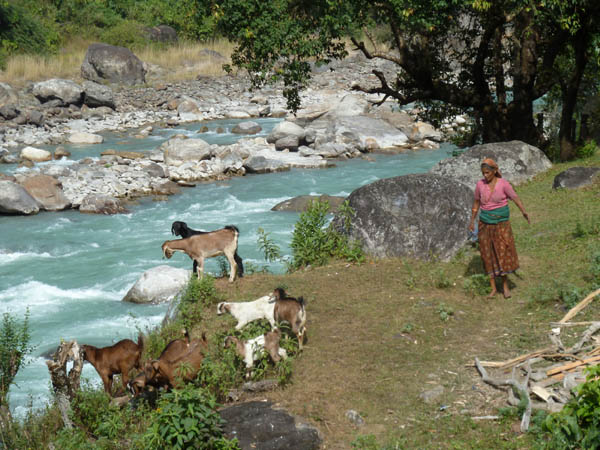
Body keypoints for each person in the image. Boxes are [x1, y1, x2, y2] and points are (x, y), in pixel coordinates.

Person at [468, 158, 530, 298]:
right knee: (487, 254)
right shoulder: (480, 185)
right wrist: (472, 221)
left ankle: (505, 286)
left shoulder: (503, 184)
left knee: (502, 252)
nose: (485, 175)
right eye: (483, 173)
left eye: (488, 173)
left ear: (495, 171)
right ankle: (493, 288)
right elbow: (476, 204)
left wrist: (523, 211)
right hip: (485, 224)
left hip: (501, 224)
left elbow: (515, 198)